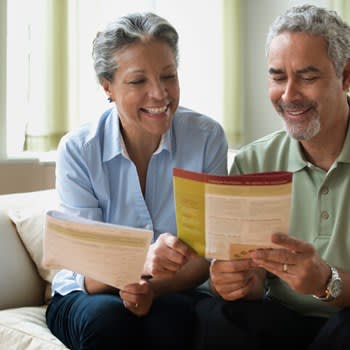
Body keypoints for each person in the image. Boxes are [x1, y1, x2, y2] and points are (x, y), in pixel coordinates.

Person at [45, 12, 228, 350]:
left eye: (168, 76)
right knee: (108, 319)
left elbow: (204, 257)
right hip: (90, 290)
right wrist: (139, 264)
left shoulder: (206, 138)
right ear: (108, 87)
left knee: (173, 319)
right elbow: (87, 271)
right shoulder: (79, 149)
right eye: (138, 81)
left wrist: (152, 287)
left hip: (171, 288)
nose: (159, 94)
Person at [195, 4, 350, 349]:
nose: (289, 95)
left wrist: (328, 282)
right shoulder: (253, 163)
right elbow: (253, 277)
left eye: (307, 77)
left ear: (346, 76)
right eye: (278, 77)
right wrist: (240, 282)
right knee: (218, 315)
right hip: (284, 319)